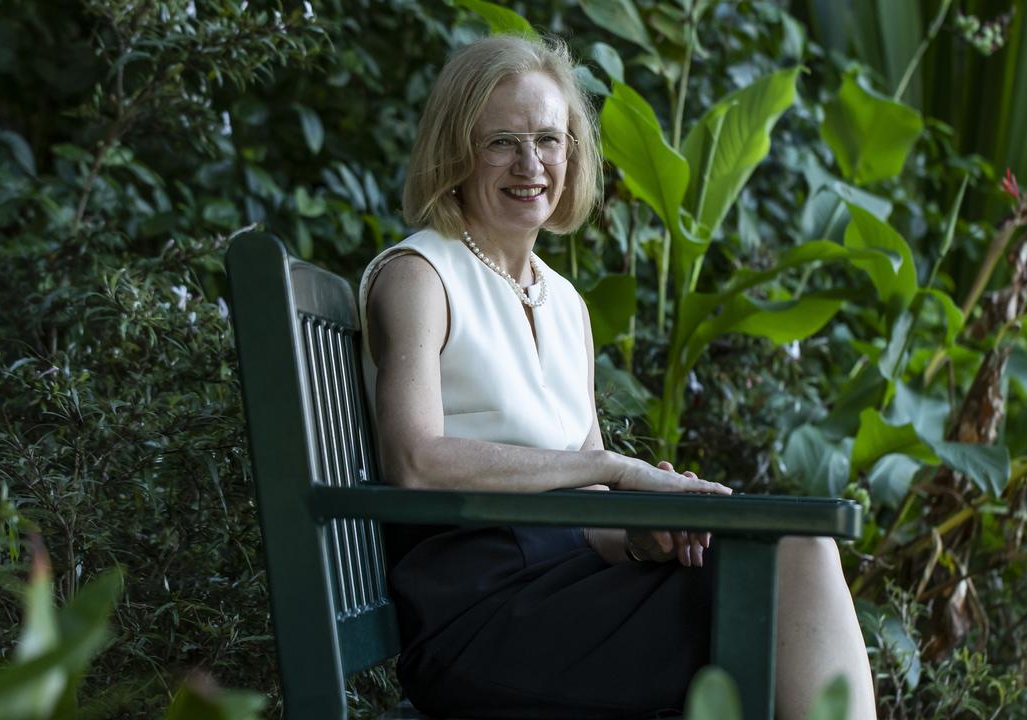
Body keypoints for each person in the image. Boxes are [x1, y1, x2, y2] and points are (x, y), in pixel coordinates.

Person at [358, 34, 875, 720]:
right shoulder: (419, 276)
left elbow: (590, 512)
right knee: (785, 572)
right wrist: (613, 471)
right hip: (483, 616)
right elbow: (415, 461)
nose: (531, 163)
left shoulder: (563, 302)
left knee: (794, 550)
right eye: (502, 141)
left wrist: (641, 530)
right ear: (455, 150)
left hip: (569, 586)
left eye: (549, 139)